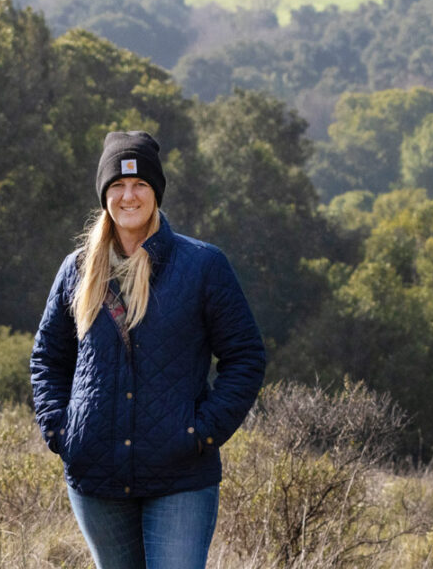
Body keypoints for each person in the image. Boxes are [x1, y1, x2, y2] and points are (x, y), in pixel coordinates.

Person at [30, 131, 266, 569]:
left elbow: (246, 357)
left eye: (140, 185)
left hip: (179, 476)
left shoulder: (203, 266)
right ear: (104, 195)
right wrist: (61, 431)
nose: (128, 195)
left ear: (155, 192)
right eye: (117, 185)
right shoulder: (76, 270)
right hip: (95, 473)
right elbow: (49, 358)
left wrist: (202, 432)